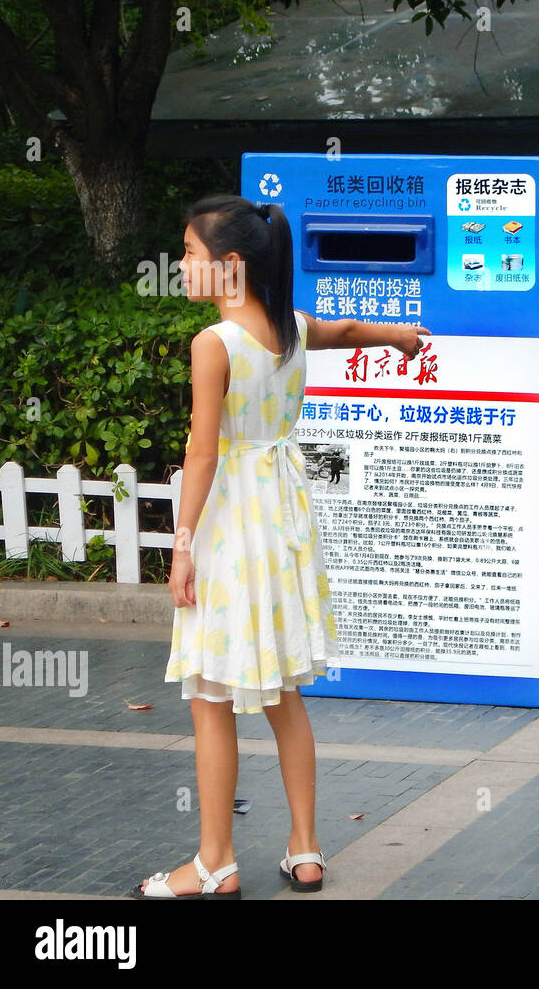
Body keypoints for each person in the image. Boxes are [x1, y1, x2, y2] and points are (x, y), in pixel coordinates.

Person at [135, 195, 429, 898]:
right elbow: (348, 329)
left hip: (231, 527)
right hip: (285, 524)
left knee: (210, 696)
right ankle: (305, 850)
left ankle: (214, 862)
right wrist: (398, 336)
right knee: (286, 695)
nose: (181, 266)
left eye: (190, 255)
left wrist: (180, 547)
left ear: (229, 267)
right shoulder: (287, 327)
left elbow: (201, 455)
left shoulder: (215, 344)